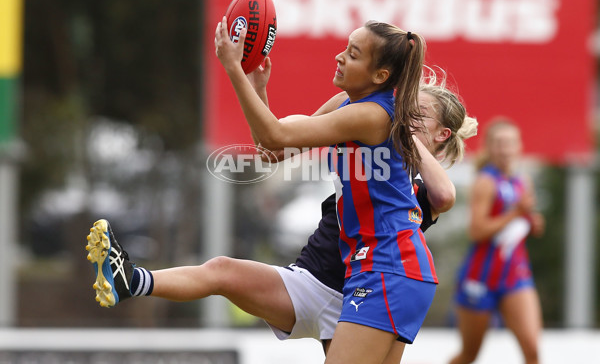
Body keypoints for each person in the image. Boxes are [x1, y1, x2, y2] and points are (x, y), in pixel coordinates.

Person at [86, 20, 474, 363]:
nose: (339, 57)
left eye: (353, 54)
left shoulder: (373, 114)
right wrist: (258, 89)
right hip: (364, 270)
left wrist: (234, 68)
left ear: (379, 75)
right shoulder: (351, 104)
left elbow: (276, 134)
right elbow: (274, 150)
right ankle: (130, 280)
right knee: (223, 271)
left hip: (388, 268)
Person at [448, 118, 544, 364]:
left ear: (519, 147)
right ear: (489, 148)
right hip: (480, 277)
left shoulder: (523, 182)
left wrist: (531, 223)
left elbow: (519, 224)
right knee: (469, 354)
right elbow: (477, 231)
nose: (506, 149)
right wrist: (515, 212)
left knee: (532, 349)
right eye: (500, 144)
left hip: (515, 275)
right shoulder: (485, 182)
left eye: (511, 143)